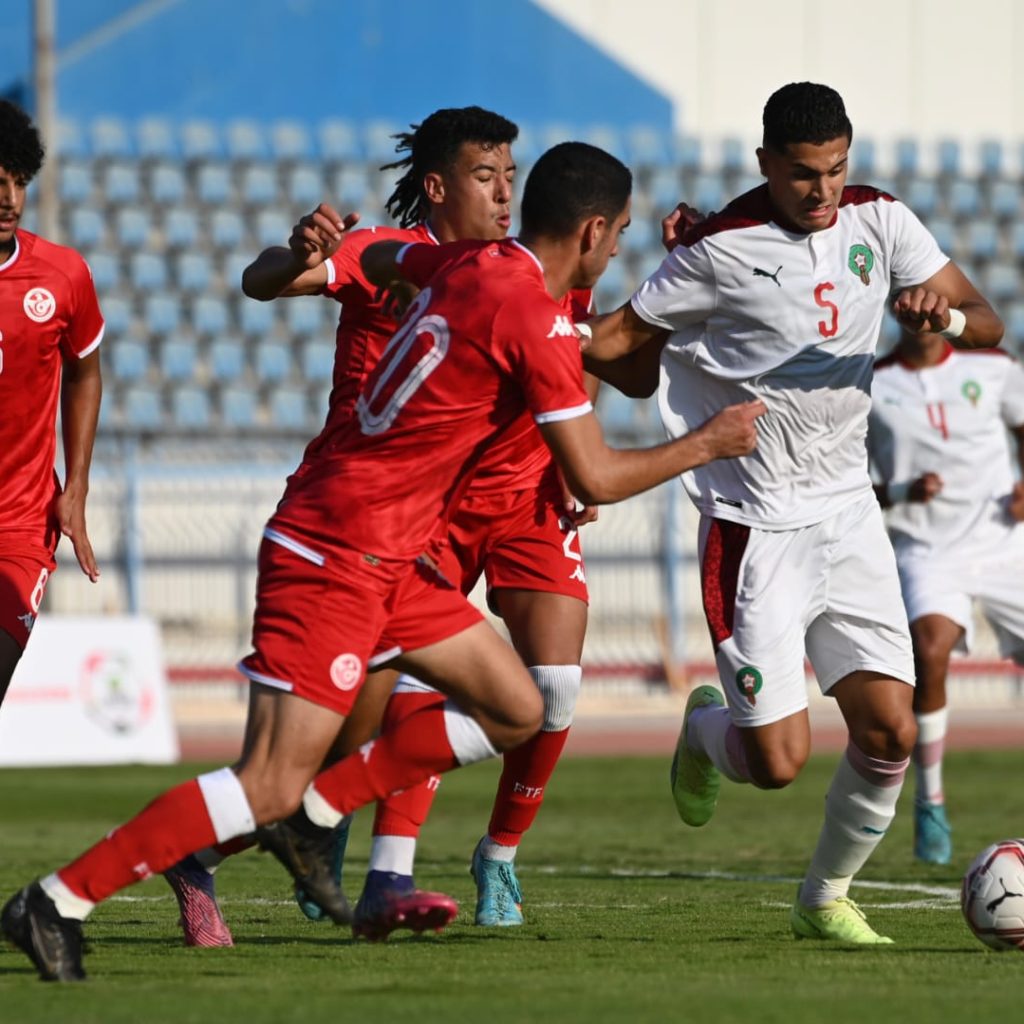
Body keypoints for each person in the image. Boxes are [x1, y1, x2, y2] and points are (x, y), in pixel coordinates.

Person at [1, 141, 764, 981]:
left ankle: (318, 815)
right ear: (590, 233)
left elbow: (384, 253)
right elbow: (596, 475)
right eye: (616, 234)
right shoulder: (534, 318)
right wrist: (707, 442)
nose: (618, 248)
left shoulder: (458, 263)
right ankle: (59, 897)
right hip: (337, 548)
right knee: (267, 783)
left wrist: (343, 249)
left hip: (390, 553)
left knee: (519, 706)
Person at [165, 106, 598, 946]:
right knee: (322, 757)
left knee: (530, 695)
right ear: (437, 188)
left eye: (512, 176)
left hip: (485, 506)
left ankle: (418, 871)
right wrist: (297, 255)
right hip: (362, 523)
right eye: (486, 177)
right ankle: (202, 856)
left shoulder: (532, 270)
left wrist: (574, 461)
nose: (506, 194)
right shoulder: (387, 256)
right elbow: (265, 281)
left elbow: (571, 363)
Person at [582, 82, 1003, 944]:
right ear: (767, 163)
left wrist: (946, 312)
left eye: (838, 170)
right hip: (753, 520)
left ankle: (824, 896)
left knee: (888, 729)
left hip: (849, 515)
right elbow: (613, 347)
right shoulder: (718, 249)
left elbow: (988, 322)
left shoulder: (881, 222)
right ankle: (705, 734)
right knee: (776, 764)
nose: (824, 192)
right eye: (805, 175)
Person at [868, 327, 1024, 865]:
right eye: (909, 295)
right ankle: (930, 797)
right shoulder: (870, 382)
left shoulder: (993, 368)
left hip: (1005, 542)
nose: (922, 308)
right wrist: (901, 491)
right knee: (930, 649)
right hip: (927, 548)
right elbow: (841, 479)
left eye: (933, 294)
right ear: (896, 304)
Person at [0, 99, 103, 711]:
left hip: (20, 524)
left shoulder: (62, 275)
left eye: (18, 179)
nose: (8, 196)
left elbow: (85, 372)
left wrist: (79, 484)